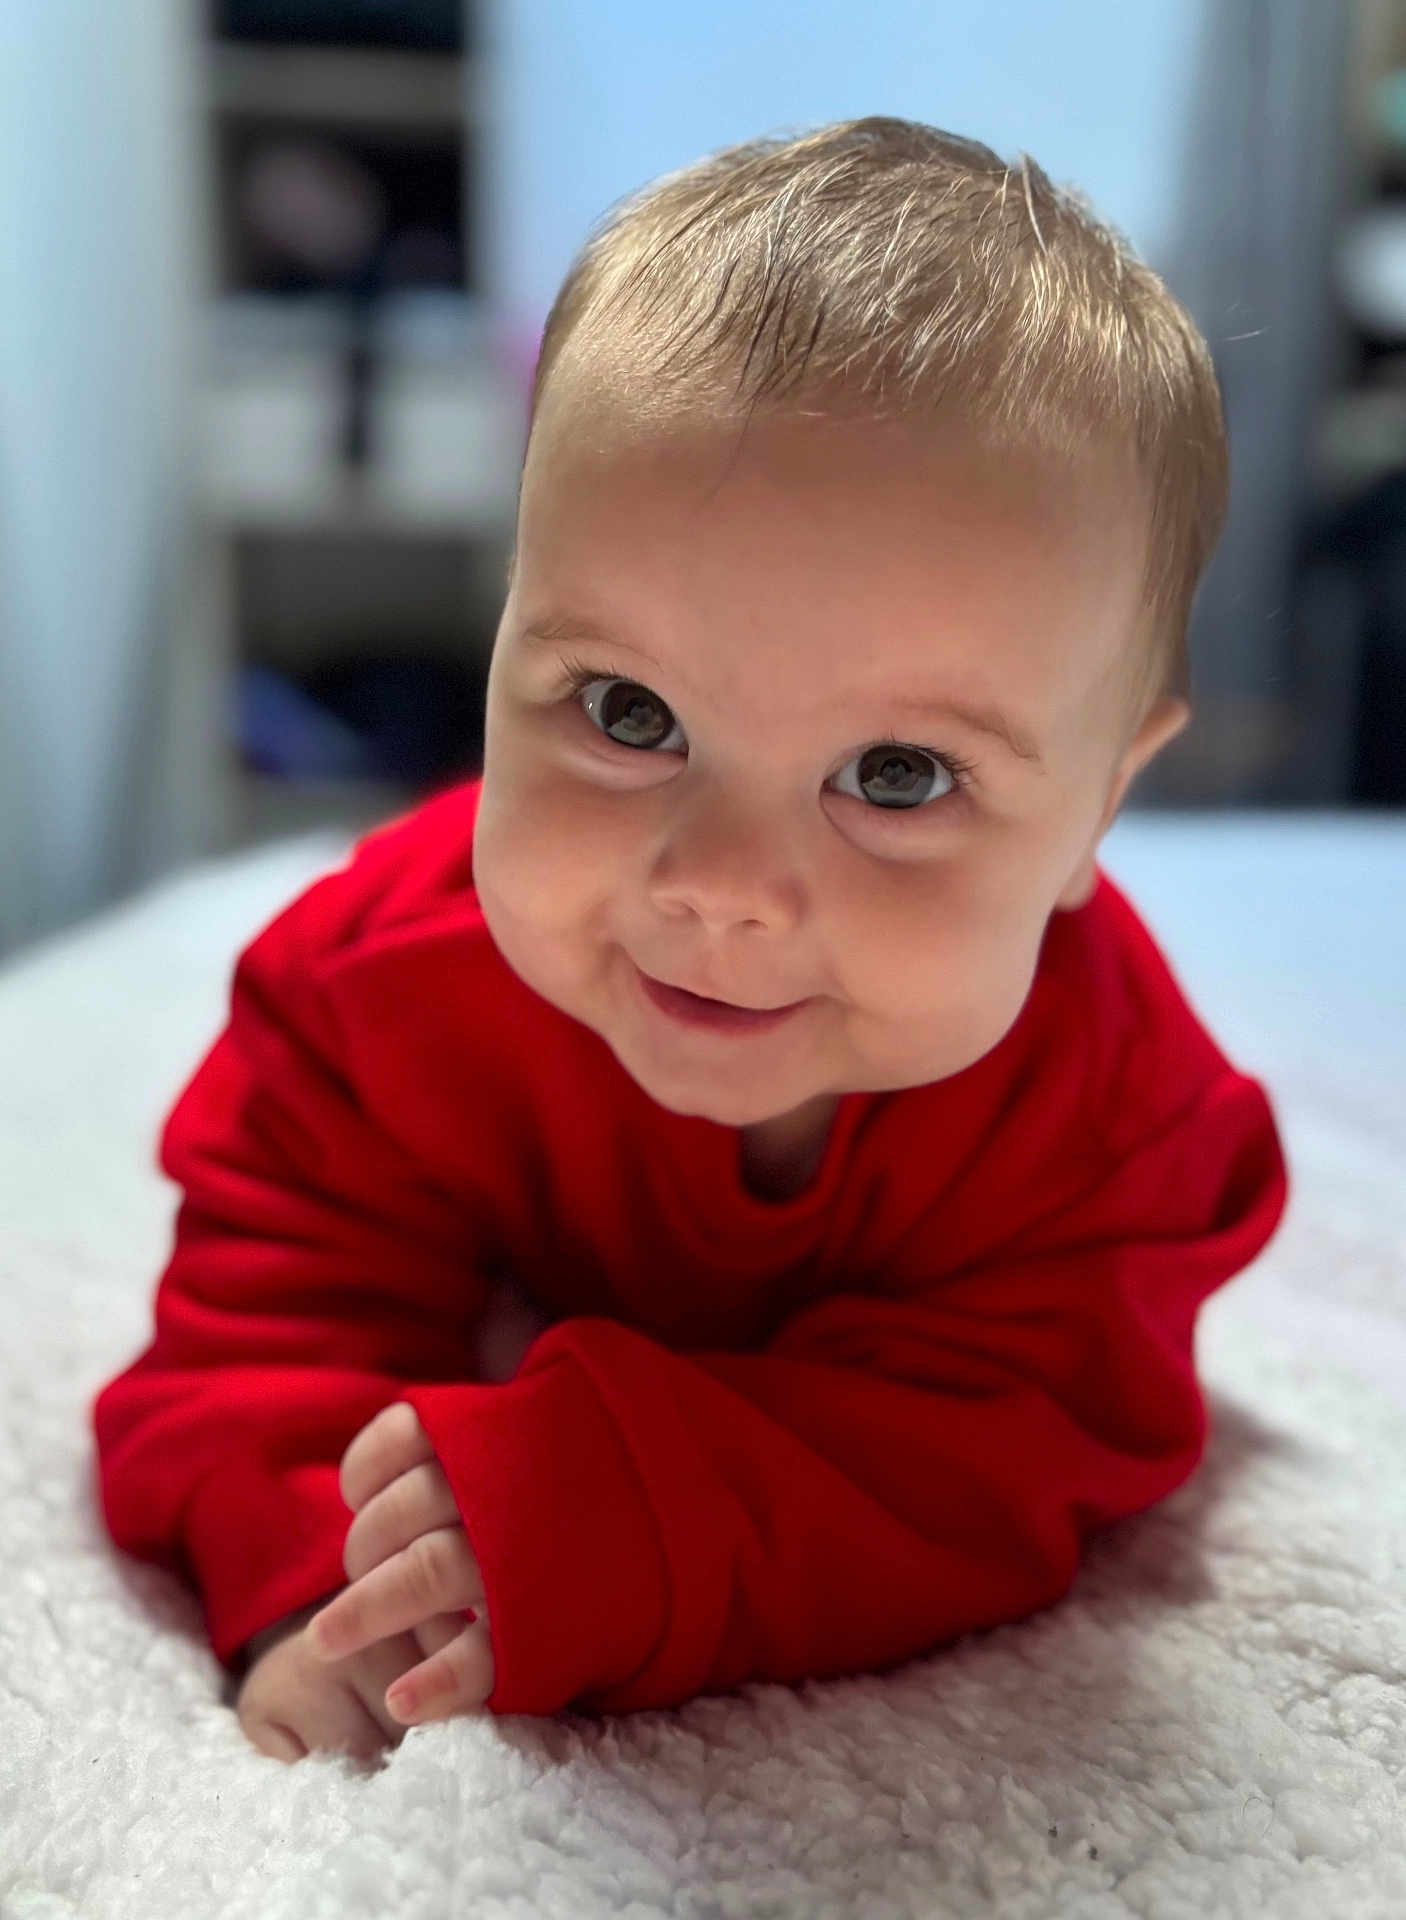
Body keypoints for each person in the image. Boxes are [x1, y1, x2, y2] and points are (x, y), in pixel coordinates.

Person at [92, 117, 1288, 1763]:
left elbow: (1008, 1447)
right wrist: (333, 1586)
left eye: (896, 775)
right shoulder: (377, 987)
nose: (722, 885)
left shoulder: (1111, 1118)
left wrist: (607, 1517)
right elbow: (257, 1322)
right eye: (628, 709)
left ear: (1095, 811)